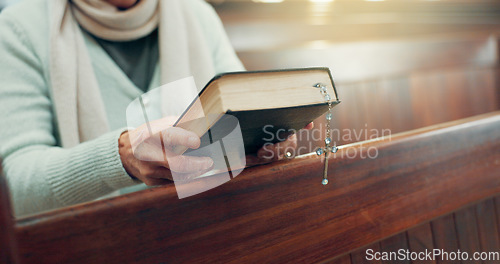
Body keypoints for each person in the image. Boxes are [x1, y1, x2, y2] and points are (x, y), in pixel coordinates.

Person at [0, 0, 302, 217]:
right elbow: (15, 184)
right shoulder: (19, 29)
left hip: (211, 231)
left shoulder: (199, 15)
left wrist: (267, 142)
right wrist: (120, 157)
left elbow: (242, 113)